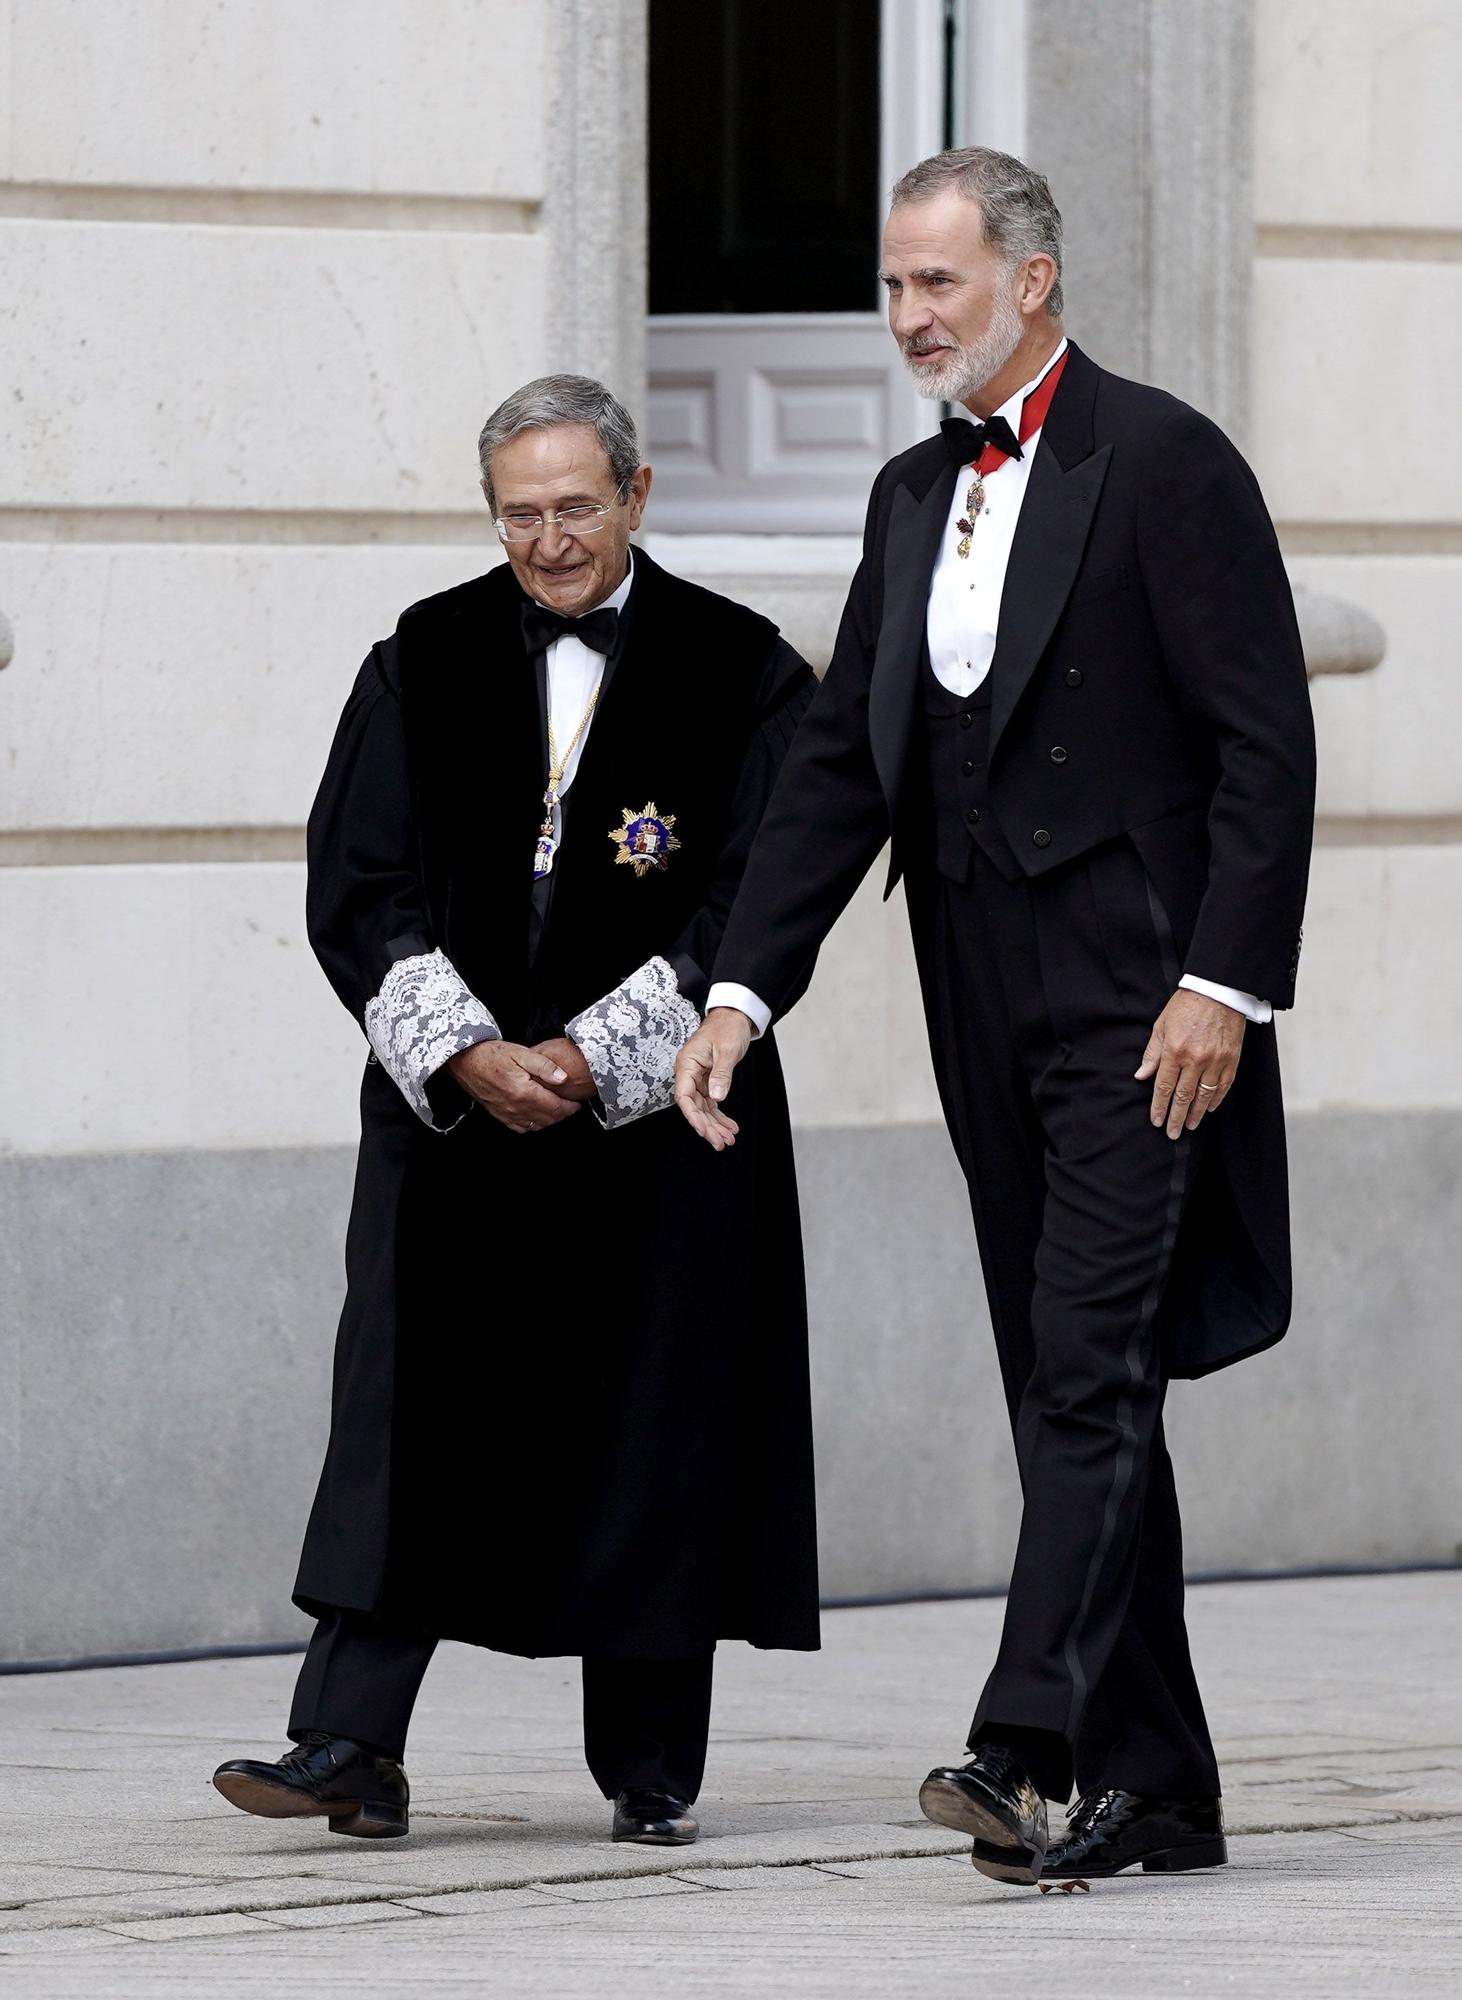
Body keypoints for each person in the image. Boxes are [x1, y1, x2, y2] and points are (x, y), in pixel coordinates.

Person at [675, 148, 1316, 1886]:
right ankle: (1159, 1785)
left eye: (933, 284)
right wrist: (741, 985)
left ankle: (1025, 1738)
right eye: (890, 286)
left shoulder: (1166, 461)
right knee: (1067, 1382)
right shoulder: (905, 494)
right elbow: (835, 771)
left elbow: (1266, 745)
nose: (906, 317)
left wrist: (1222, 985)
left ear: (1031, 279)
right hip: (975, 982)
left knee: (1093, 1361)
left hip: (1139, 995)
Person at [212, 375, 820, 1846]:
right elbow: (356, 879)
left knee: (655, 1419)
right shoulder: (422, 655)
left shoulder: (744, 669)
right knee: (409, 1417)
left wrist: (601, 1056)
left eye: (573, 508)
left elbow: (767, 887)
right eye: (518, 513)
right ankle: (348, 1740)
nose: (546, 541)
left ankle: (651, 1767)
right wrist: (474, 1053)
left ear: (638, 493)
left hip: (668, 1115)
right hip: (453, 1117)